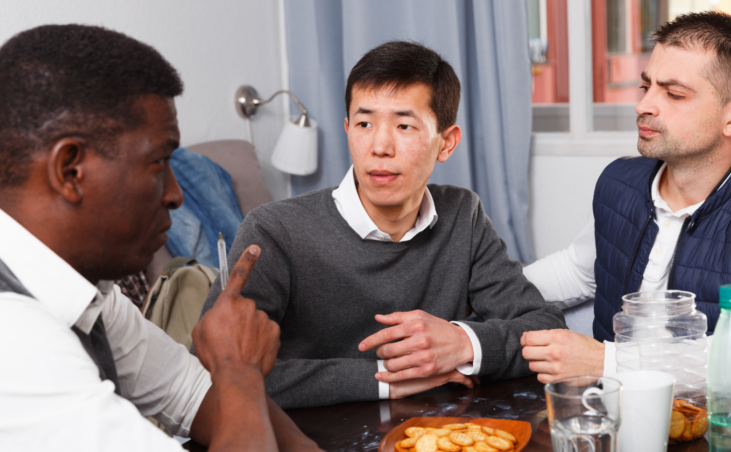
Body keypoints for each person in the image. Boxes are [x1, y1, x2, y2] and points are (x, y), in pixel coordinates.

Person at [0, 24, 320, 451]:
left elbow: (190, 393)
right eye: (158, 162)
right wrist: (239, 370)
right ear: (69, 171)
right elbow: (228, 392)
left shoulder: (80, 287)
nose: (175, 194)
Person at [197, 41, 566, 409]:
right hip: (309, 433)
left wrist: (462, 343)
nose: (379, 146)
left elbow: (546, 328)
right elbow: (216, 370)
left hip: (436, 428)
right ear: (347, 130)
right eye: (364, 123)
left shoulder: (462, 215)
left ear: (446, 143)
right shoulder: (274, 231)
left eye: (404, 125)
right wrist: (388, 380)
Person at [520, 11, 731, 397]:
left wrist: (607, 361)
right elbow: (579, 271)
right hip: (604, 407)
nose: (643, 105)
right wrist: (473, 297)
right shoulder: (619, 180)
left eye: (674, 94)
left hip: (712, 420)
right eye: (645, 86)